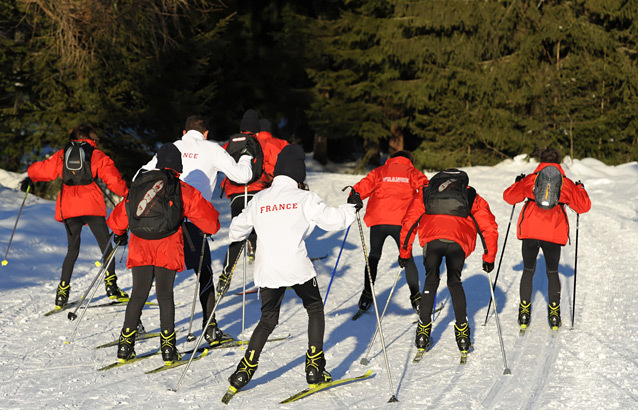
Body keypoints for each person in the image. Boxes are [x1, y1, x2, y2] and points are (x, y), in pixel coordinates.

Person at [224, 144, 356, 395]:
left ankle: (244, 370)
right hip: (296, 266)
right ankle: (314, 367)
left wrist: (253, 228)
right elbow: (332, 220)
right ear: (299, 172)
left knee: (267, 319)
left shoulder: (260, 198)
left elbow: (235, 231)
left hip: (268, 270)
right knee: (315, 308)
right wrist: (351, 208)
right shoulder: (303, 197)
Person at [139, 114, 253, 344]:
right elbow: (243, 177)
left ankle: (136, 324)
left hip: (162, 222)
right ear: (206, 133)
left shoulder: (171, 148)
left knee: (152, 276)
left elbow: (139, 176)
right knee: (204, 274)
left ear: (184, 132)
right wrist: (246, 158)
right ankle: (210, 329)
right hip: (193, 222)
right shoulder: (212, 149)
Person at [108, 143, 221, 364]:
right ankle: (168, 350)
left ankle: (125, 346)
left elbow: (119, 217)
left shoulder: (140, 184)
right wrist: (210, 228)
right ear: (178, 166)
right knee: (165, 295)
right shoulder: (180, 187)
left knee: (138, 294)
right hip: (167, 246)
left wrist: (119, 232)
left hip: (140, 245)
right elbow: (209, 221)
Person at [22, 123, 129, 308]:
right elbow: (113, 180)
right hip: (92, 206)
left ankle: (62, 294)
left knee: (72, 250)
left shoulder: (62, 154)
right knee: (106, 247)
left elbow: (43, 170)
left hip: (68, 207)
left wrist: (31, 175)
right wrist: (127, 193)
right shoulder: (96, 154)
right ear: (91, 138)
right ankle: (111, 287)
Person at [399, 169, 498, 355]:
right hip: (458, 243)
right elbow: (488, 227)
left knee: (431, 280)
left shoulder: (427, 192)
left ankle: (422, 332)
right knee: (454, 282)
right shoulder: (470, 194)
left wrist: (405, 252)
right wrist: (489, 257)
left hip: (432, 239)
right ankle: (462, 335)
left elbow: (409, 221)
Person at [503, 147, 591, 330]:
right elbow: (583, 207)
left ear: (540, 161)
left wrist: (517, 183)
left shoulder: (531, 179)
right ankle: (554, 313)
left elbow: (509, 197)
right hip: (552, 232)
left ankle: (524, 312)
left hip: (530, 231)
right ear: (558, 162)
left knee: (528, 270)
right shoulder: (565, 183)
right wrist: (580, 188)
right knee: (552, 272)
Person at [348, 150, 428, 315]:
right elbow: (426, 188)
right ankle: (416, 299)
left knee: (374, 256)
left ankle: (366, 296)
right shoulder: (412, 172)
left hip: (379, 220)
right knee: (407, 257)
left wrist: (354, 197)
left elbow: (360, 188)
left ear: (392, 160)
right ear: (410, 160)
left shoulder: (380, 171)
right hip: (403, 222)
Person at [217, 110, 289, 289]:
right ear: (257, 130)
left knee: (238, 234)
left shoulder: (230, 144)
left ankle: (226, 274)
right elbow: (277, 167)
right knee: (265, 232)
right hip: (259, 193)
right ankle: (272, 274)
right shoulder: (264, 144)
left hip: (236, 195)